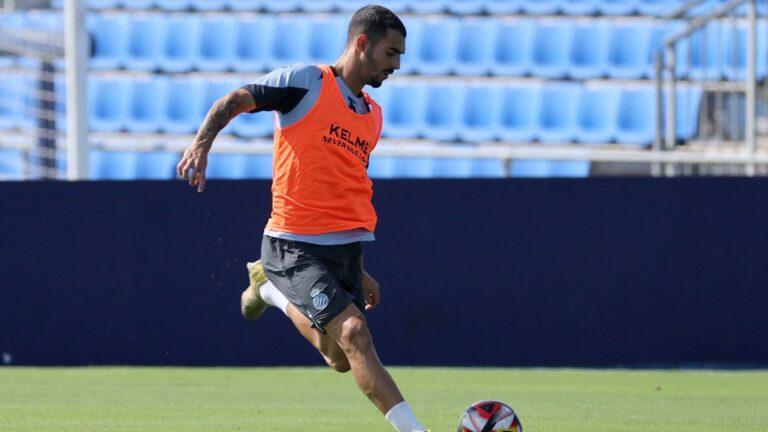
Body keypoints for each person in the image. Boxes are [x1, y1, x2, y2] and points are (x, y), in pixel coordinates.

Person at [177, 6, 428, 432]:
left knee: (339, 359)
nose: (397, 65)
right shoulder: (307, 82)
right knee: (354, 334)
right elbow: (234, 100)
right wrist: (202, 144)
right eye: (391, 53)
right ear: (361, 43)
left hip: (345, 249)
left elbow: (344, 189)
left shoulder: (373, 116)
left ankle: (271, 292)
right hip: (292, 243)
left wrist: (359, 269)